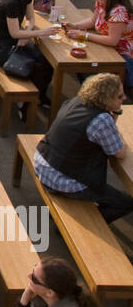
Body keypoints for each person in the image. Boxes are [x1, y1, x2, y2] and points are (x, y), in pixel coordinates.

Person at [34, 73, 133, 225]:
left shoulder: (77, 101)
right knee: (125, 203)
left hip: (43, 160)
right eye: (119, 96)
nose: (124, 98)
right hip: (59, 178)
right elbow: (119, 153)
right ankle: (85, 225)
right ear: (107, 98)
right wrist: (124, 142)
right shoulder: (101, 120)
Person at [0, 0, 55, 109]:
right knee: (35, 65)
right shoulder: (11, 2)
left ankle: (39, 96)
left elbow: (31, 18)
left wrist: (27, 31)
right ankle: (25, 103)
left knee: (46, 62)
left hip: (13, 41)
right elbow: (14, 33)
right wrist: (41, 32)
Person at [69, 0, 133, 90]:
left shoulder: (119, 12)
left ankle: (97, 97)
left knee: (86, 70)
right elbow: (93, 21)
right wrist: (75, 26)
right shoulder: (101, 3)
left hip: (122, 56)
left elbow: (112, 40)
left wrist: (84, 35)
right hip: (107, 49)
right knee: (80, 65)